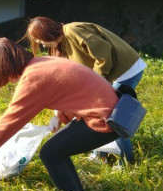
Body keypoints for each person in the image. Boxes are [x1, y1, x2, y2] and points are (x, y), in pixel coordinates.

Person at [0, 38, 119, 191]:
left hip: (103, 119)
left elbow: (10, 121)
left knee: (50, 154)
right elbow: (74, 91)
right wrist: (60, 118)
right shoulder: (41, 63)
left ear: (4, 68)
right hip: (113, 111)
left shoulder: (33, 78)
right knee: (57, 149)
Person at [26, 16, 146, 164]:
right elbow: (66, 84)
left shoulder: (72, 30)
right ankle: (101, 154)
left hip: (124, 69)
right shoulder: (59, 48)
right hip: (106, 77)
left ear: (46, 33)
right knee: (97, 114)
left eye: (40, 41)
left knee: (114, 117)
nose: (43, 45)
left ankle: (128, 160)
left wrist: (97, 85)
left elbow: (103, 55)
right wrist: (58, 115)